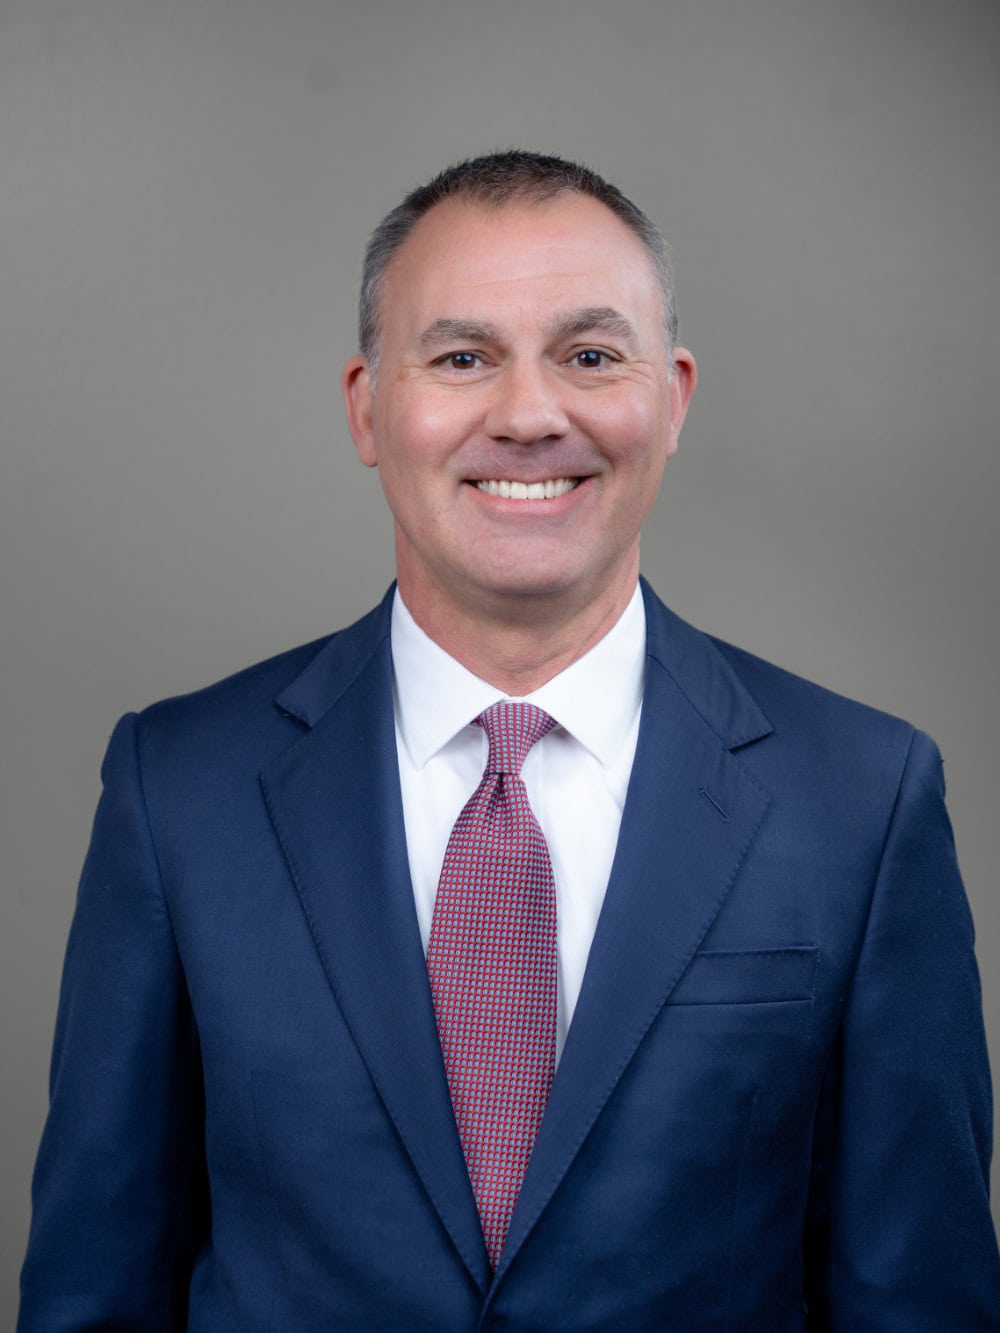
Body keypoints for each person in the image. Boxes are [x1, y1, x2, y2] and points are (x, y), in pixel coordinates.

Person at [19, 150, 1000, 1330]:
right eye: (461, 357)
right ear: (368, 407)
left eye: (589, 356)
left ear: (674, 396)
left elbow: (922, 1303)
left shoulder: (862, 800)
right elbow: (96, 1286)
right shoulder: (178, 790)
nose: (531, 415)